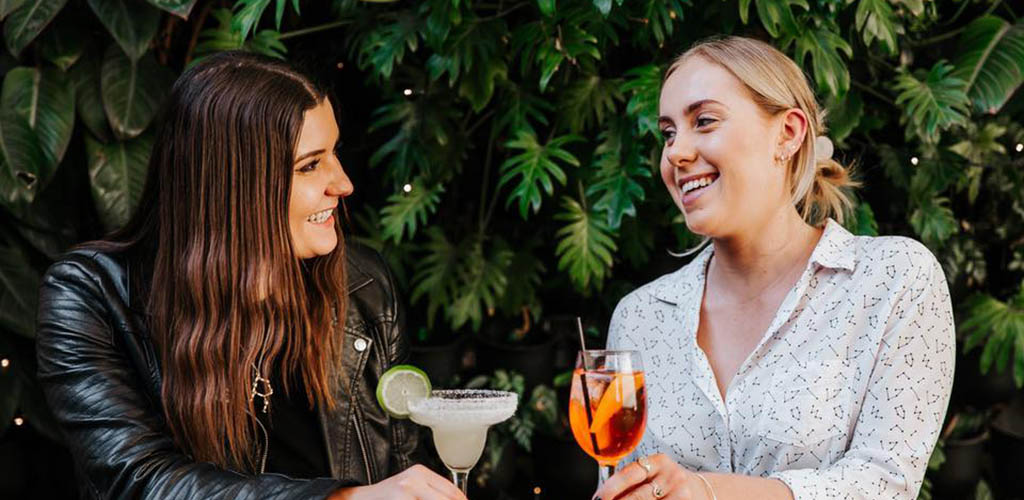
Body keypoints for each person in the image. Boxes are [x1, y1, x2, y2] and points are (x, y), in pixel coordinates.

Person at [36, 51, 465, 500]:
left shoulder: (364, 285)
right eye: (309, 165)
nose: (342, 184)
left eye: (333, 152)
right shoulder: (90, 296)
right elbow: (139, 481)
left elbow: (401, 467)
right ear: (233, 184)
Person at [593, 36, 954, 500]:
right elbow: (618, 485)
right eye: (668, 132)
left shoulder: (893, 279)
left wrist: (706, 492)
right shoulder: (639, 317)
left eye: (703, 121)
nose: (676, 153)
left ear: (787, 133)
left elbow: (884, 483)